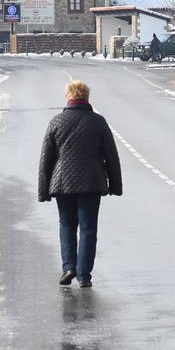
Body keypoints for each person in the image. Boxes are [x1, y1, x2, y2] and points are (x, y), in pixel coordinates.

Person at [37, 80, 123, 288]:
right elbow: (111, 156)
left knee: (66, 225)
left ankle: (69, 268)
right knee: (88, 229)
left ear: (68, 97)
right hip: (91, 182)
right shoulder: (98, 122)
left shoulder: (56, 122)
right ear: (86, 98)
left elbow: (45, 160)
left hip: (62, 183)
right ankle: (84, 275)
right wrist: (115, 185)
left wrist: (43, 190)